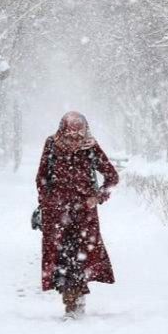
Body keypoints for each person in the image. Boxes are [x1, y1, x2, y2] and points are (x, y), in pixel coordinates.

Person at [35, 111, 119, 319]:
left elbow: (112, 177)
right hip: (57, 214)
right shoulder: (52, 144)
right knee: (62, 258)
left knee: (80, 257)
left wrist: (98, 197)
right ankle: (70, 300)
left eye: (78, 134)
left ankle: (75, 301)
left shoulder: (90, 147)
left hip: (84, 215)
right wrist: (47, 201)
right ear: (62, 129)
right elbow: (42, 177)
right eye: (70, 134)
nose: (74, 139)